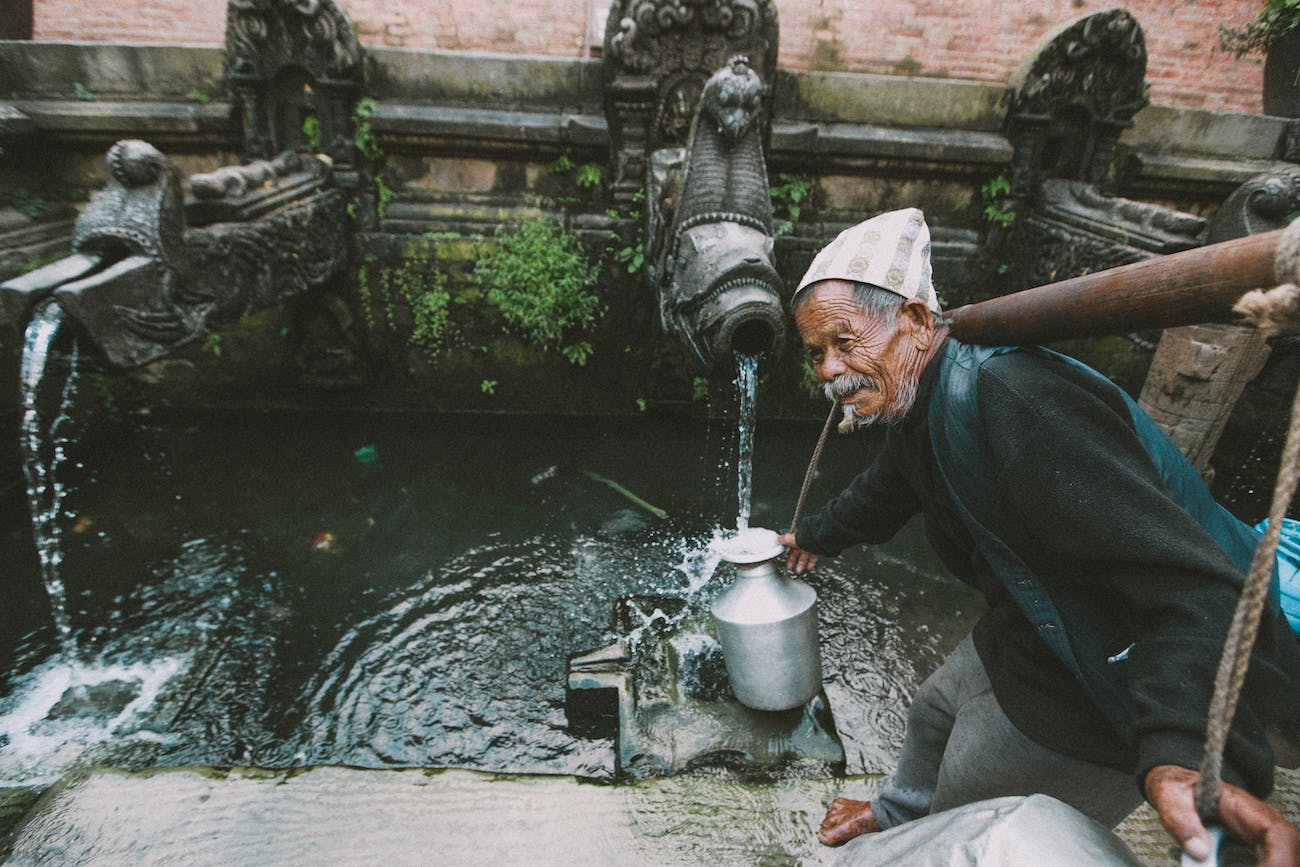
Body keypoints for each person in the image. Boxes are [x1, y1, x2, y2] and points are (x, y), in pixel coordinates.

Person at [776, 208, 1300, 864]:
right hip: (1039, 616)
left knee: (975, 802)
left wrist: (1180, 753)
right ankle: (896, 811)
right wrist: (819, 533)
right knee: (936, 710)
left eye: (844, 342)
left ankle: (926, 835)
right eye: (816, 352)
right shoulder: (918, 393)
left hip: (1114, 662)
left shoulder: (1023, 405)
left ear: (912, 321)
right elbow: (895, 481)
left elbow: (1189, 587)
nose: (829, 369)